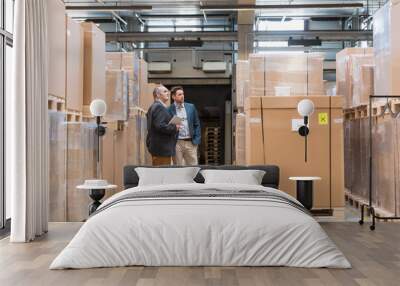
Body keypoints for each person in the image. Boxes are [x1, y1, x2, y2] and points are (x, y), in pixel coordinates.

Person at [146, 85, 179, 166]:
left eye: (167, 91)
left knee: (161, 173)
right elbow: (160, 126)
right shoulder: (159, 107)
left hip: (160, 148)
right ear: (158, 95)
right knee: (162, 174)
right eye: (164, 91)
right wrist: (175, 127)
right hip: (161, 149)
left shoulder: (155, 106)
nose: (167, 93)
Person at [168, 86, 201, 166]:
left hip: (190, 142)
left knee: (193, 166)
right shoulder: (169, 109)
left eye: (183, 94)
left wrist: (196, 141)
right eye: (179, 94)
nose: (182, 96)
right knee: (178, 167)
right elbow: (167, 126)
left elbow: (197, 124)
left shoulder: (191, 107)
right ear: (173, 97)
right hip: (177, 143)